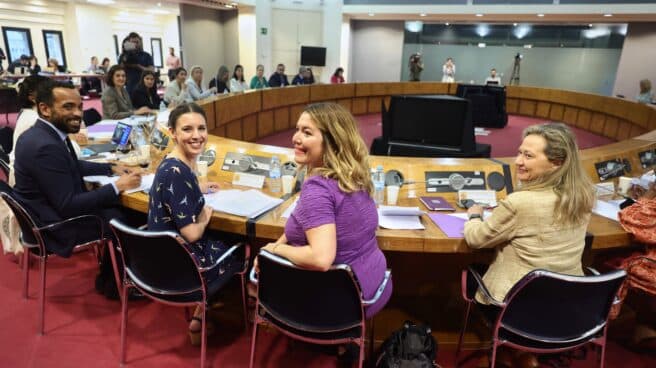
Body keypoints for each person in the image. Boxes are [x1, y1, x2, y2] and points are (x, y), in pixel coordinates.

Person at [256, 102, 392, 319]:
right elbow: (303, 223)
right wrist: (279, 243)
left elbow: (320, 259)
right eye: (297, 129)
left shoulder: (317, 189)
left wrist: (273, 251)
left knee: (252, 282)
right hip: (373, 286)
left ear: (331, 142)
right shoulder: (354, 176)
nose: (295, 138)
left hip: (340, 304)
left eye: (307, 132)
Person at [465, 122, 595, 304]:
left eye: (528, 156)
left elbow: (476, 239)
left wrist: (475, 216)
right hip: (567, 304)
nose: (518, 161)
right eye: (519, 152)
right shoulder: (583, 195)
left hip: (517, 306)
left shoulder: (519, 203)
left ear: (556, 163)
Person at [148, 102, 244, 345]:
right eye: (187, 129)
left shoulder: (172, 164)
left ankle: (206, 308)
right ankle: (205, 310)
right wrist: (202, 219)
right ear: (172, 132)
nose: (197, 135)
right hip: (183, 264)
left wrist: (197, 188)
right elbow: (191, 234)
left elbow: (174, 191)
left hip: (161, 256)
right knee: (240, 245)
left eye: (201, 128)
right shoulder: (177, 173)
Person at [13, 80, 142, 258]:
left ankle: (113, 274)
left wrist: (111, 168)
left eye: (80, 107)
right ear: (45, 109)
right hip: (58, 227)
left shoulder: (43, 133)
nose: (78, 113)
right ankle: (122, 280)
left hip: (48, 213)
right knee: (131, 216)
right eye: (68, 107)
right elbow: (69, 206)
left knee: (118, 206)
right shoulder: (45, 147)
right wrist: (117, 186)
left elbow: (70, 165)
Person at [8, 75, 50, 186]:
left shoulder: (28, 113)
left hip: (24, 176)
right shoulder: (34, 119)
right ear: (32, 97)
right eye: (49, 92)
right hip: (27, 184)